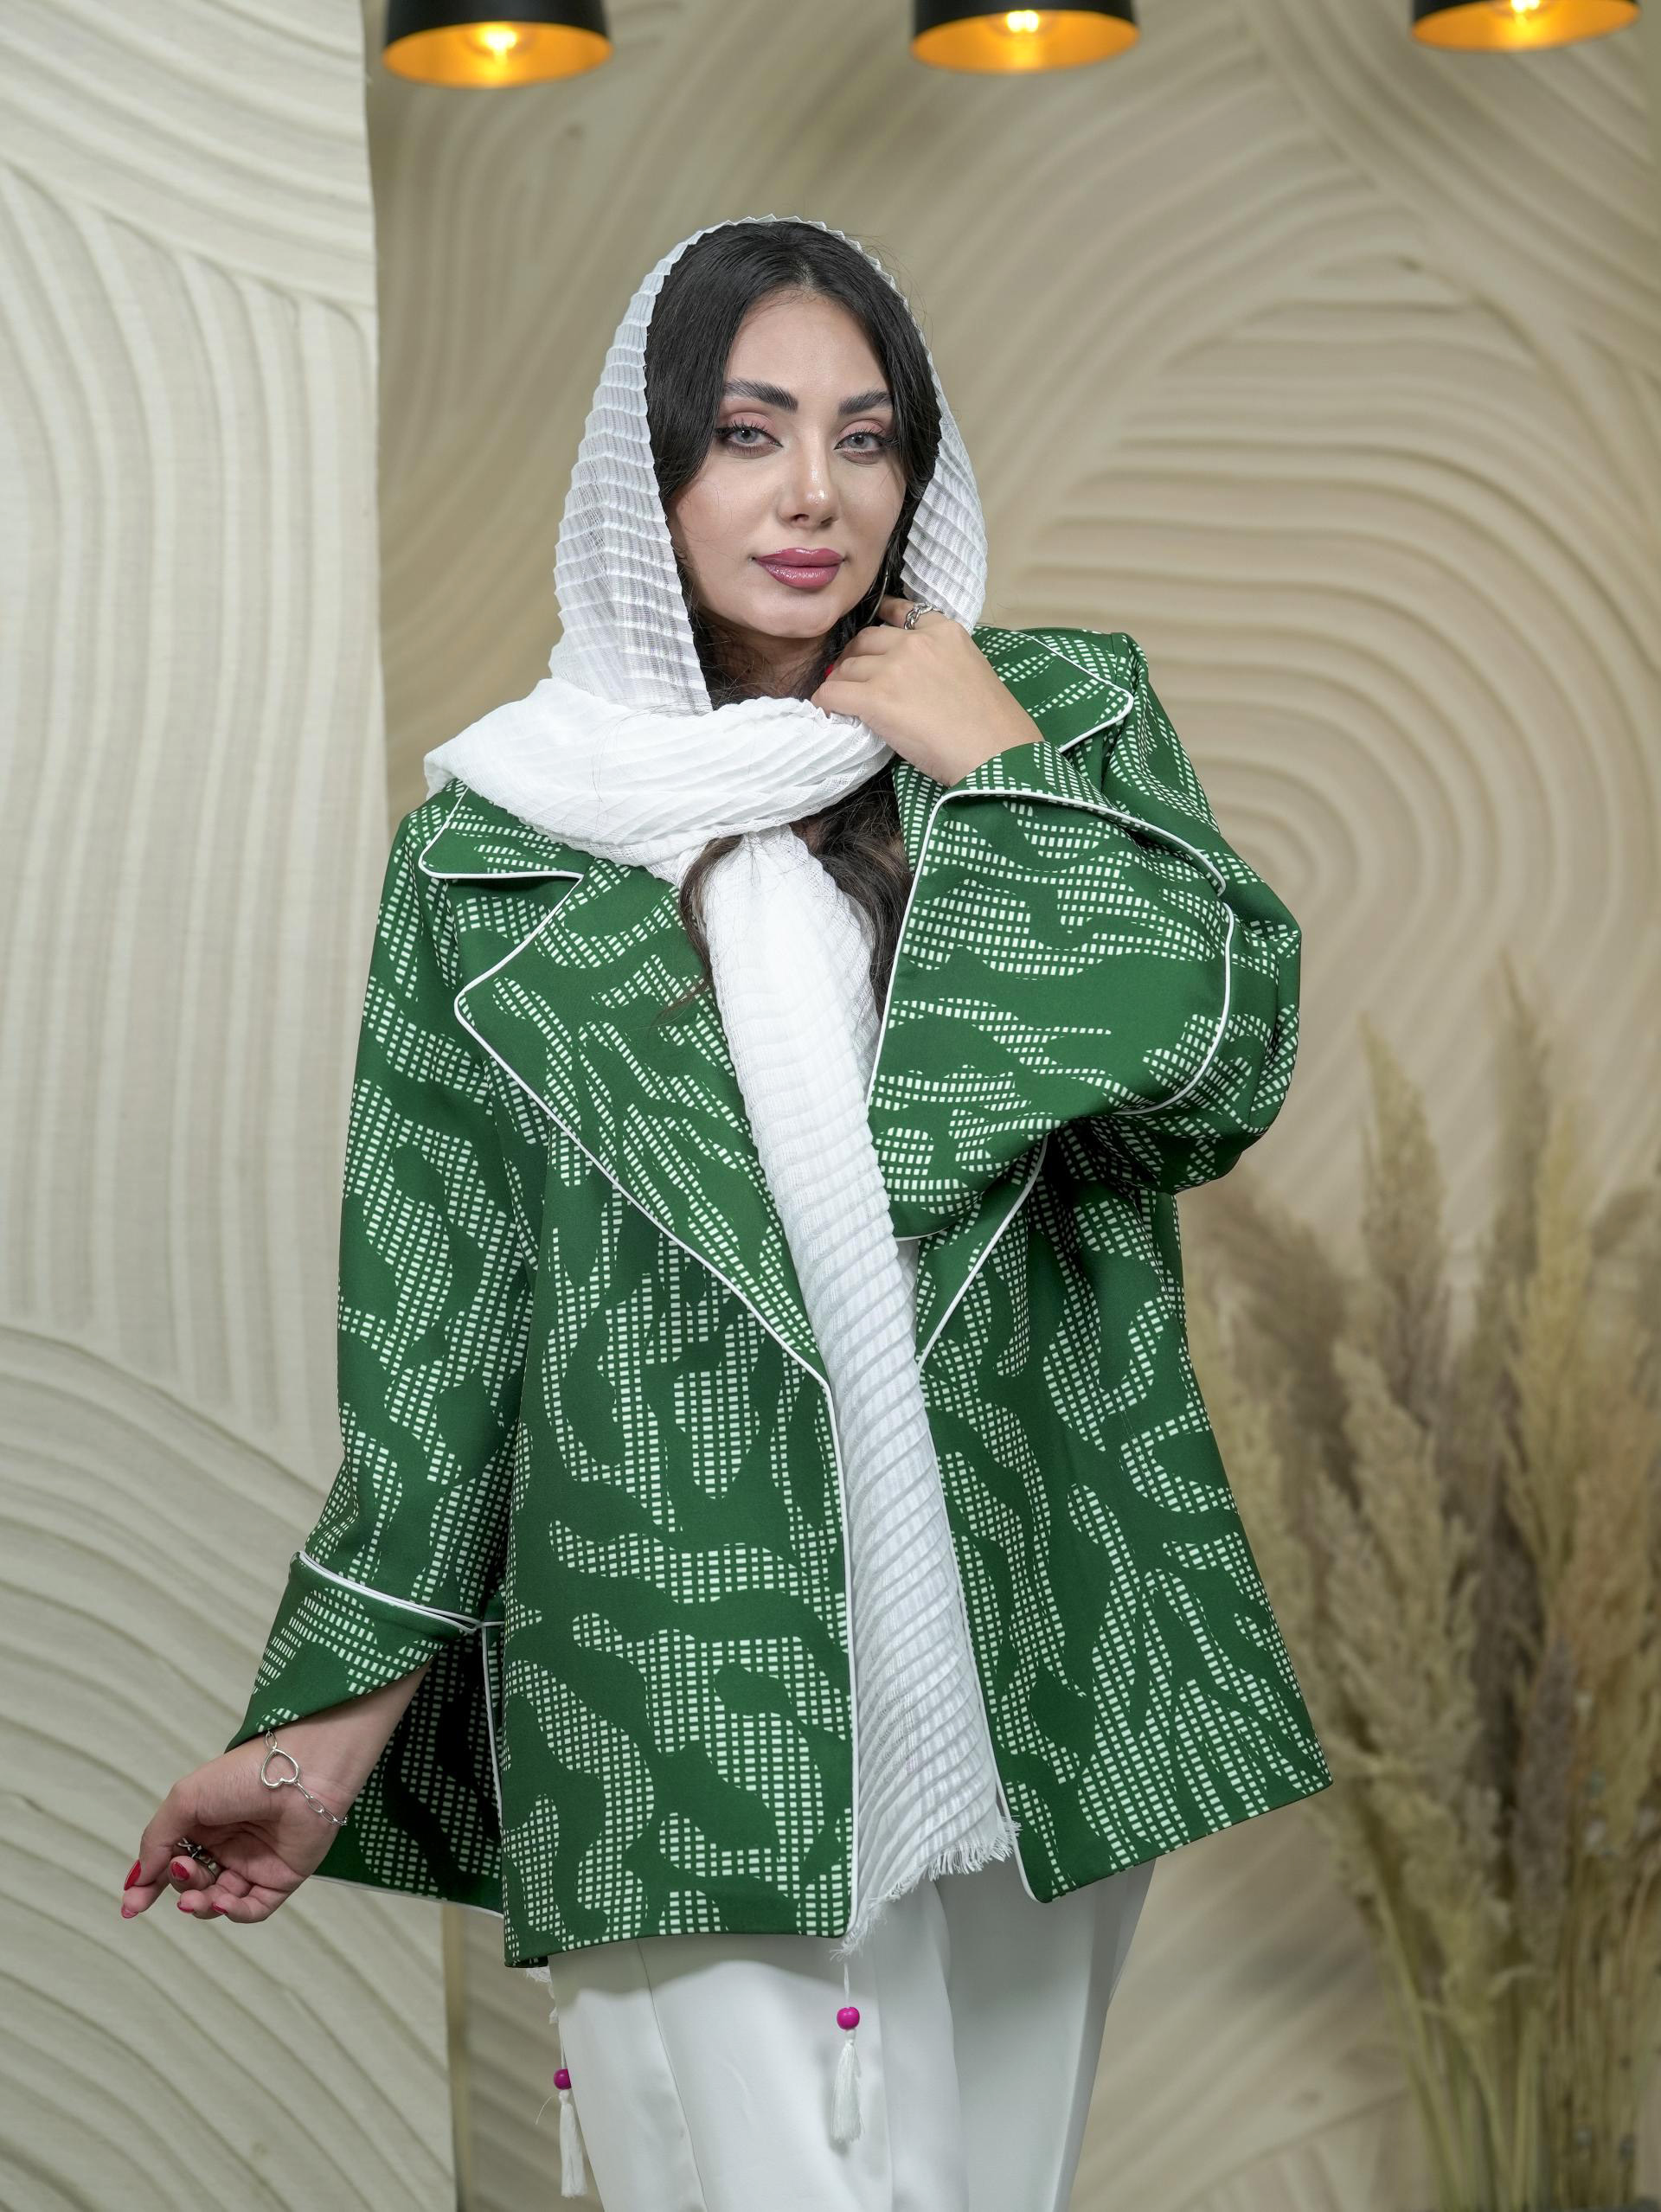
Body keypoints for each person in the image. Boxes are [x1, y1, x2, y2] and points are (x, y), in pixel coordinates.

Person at [119, 215, 1331, 2210]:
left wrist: (998, 772)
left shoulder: (1051, 719)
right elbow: (445, 1336)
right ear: (651, 467)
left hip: (1032, 1660)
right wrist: (314, 1742)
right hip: (671, 1686)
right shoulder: (495, 847)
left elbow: (1213, 1074)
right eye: (749, 433)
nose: (812, 494)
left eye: (867, 437)